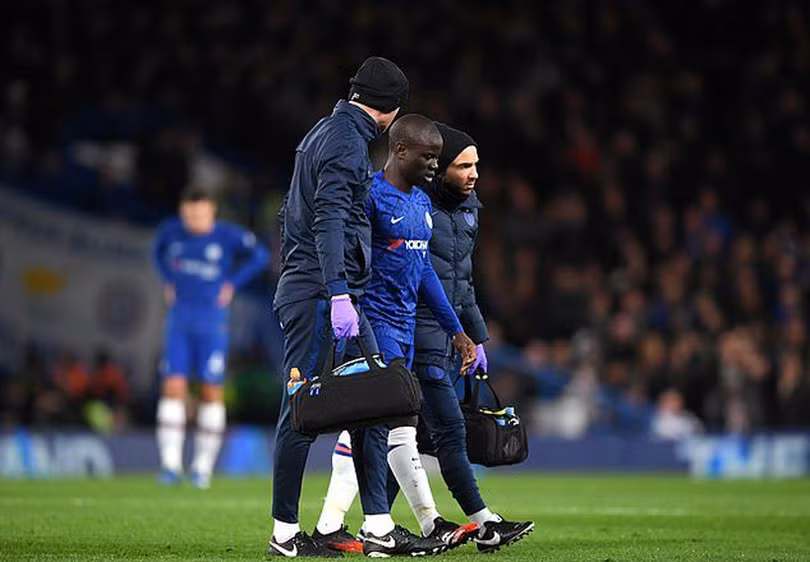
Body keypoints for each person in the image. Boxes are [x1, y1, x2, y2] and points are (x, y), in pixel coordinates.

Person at [314, 123, 534, 554]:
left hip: (409, 329)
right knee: (389, 425)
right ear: (400, 151)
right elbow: (343, 249)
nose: (434, 165)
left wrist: (462, 331)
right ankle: (386, 525)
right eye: (431, 158)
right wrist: (341, 300)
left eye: (439, 158)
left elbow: (427, 272)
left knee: (397, 427)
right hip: (374, 325)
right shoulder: (371, 196)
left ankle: (382, 524)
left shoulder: (421, 204)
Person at [270, 57, 445, 558]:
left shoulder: (322, 132)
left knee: (378, 400)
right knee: (301, 410)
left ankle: (378, 526)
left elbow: (289, 211)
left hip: (328, 288)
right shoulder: (348, 145)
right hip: (324, 294)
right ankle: (285, 534)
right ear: (391, 111)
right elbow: (327, 220)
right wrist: (337, 291)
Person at [152, 185, 269, 489]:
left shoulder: (228, 236)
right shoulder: (172, 232)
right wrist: (168, 280)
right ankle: (170, 465)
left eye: (201, 214)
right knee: (173, 387)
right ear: (182, 212)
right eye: (190, 214)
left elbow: (260, 255)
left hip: (212, 324)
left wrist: (232, 283)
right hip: (179, 322)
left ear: (211, 212)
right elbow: (156, 252)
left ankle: (202, 467)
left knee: (210, 391)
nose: (195, 220)